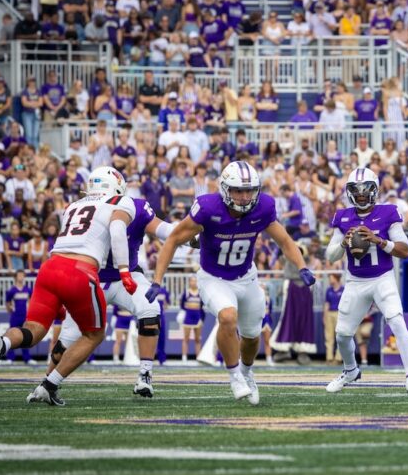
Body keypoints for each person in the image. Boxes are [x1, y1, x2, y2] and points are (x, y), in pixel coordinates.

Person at [147, 161, 315, 405]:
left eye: (249, 190)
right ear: (225, 189)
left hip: (246, 277)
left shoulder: (264, 206)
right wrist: (157, 279)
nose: (245, 196)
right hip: (214, 277)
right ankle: (234, 375)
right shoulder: (207, 208)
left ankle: (247, 373)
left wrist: (302, 266)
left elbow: (285, 241)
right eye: (238, 190)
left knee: (252, 336)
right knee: (227, 317)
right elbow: (173, 239)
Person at [0, 167, 137, 406]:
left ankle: (3, 343)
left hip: (50, 268)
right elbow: (116, 231)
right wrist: (124, 270)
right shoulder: (120, 201)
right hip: (79, 271)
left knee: (32, 331)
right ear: (115, 185)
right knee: (93, 334)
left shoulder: (73, 205)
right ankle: (49, 385)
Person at [52, 196, 174, 397]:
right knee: (66, 340)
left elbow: (165, 230)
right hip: (91, 279)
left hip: (125, 277)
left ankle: (145, 374)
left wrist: (192, 234)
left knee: (150, 309)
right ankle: (48, 383)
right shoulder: (81, 209)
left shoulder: (136, 207)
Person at [324, 167, 408, 393]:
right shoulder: (343, 217)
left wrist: (379, 240)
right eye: (355, 190)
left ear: (374, 190)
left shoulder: (388, 212)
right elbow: (330, 256)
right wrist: (342, 243)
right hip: (355, 281)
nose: (359, 194)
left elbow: (405, 250)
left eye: (364, 189)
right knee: (342, 334)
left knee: (397, 321)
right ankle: (351, 371)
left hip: (382, 278)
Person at [4, 271, 35, 365]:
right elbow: (7, 303)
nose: (21, 277)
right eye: (19, 275)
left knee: (26, 337)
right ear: (16, 277)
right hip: (15, 316)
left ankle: (27, 358)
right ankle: (10, 358)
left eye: (23, 275)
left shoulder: (28, 289)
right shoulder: (12, 290)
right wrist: (11, 311)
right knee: (12, 336)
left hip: (25, 316)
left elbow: (32, 301)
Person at [180, 276, 204, 362]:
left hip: (197, 317)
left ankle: (198, 357)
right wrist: (187, 310)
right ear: (189, 282)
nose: (194, 283)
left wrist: (202, 318)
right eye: (192, 281)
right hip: (188, 317)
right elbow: (182, 305)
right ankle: (184, 357)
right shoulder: (186, 293)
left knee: (197, 339)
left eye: (195, 281)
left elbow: (202, 306)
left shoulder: (200, 293)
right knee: (186, 338)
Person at [323, 273, 344, 365]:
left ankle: (339, 358)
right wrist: (325, 315)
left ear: (336, 278)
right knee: (329, 336)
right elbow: (326, 304)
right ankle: (329, 357)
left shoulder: (343, 289)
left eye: (331, 278)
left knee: (339, 336)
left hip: (339, 313)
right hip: (330, 313)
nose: (330, 280)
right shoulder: (329, 290)